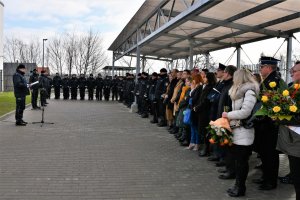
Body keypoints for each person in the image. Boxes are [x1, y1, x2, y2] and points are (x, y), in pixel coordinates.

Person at [222, 69, 260, 197]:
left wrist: (228, 115)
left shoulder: (249, 91)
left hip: (244, 131)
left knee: (242, 161)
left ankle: (240, 187)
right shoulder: (239, 91)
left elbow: (245, 112)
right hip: (237, 130)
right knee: (238, 161)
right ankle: (238, 185)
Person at [253, 56, 287, 190]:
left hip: (269, 124)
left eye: (262, 67)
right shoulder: (268, 80)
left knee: (270, 153)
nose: (260, 69)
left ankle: (270, 181)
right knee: (265, 152)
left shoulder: (275, 81)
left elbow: (278, 102)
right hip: (264, 123)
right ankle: (265, 177)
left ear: (268, 67)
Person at [277, 61, 300, 200]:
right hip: (293, 143)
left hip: (298, 143)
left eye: (295, 71)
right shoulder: (292, 89)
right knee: (297, 179)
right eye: (291, 71)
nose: (292, 73)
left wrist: (284, 119)